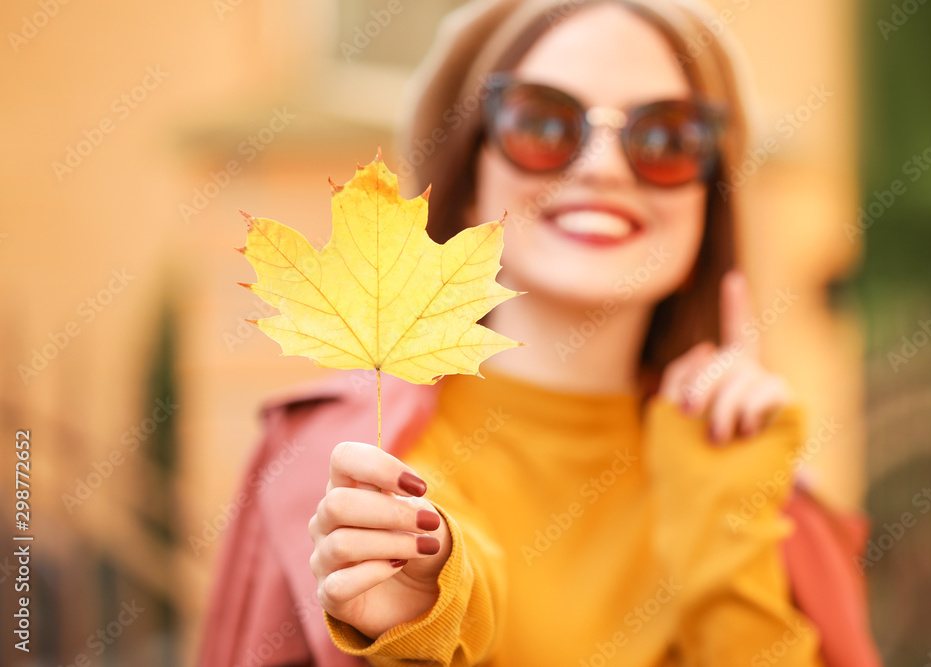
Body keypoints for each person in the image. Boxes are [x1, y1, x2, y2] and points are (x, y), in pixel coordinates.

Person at [197, 0, 882, 665]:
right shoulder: (328, 452)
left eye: (665, 137)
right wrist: (428, 608)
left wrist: (726, 520)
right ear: (469, 178)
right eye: (545, 126)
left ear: (709, 201)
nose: (603, 168)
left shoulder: (761, 490)